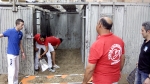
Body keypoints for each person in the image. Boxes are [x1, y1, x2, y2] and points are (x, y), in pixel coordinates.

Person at [82, 17, 125, 84]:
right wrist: (118, 72)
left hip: (101, 81)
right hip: (115, 80)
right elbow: (122, 59)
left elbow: (90, 69)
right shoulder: (120, 41)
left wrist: (84, 82)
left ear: (100, 25)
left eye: (97, 24)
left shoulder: (97, 44)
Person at [0, 19, 26, 84]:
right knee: (12, 70)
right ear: (17, 24)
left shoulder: (20, 33)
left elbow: (20, 43)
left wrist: (22, 52)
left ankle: (15, 82)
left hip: (17, 54)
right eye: (21, 25)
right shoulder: (10, 31)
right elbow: (1, 35)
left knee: (16, 70)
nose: (22, 26)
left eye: (23, 25)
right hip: (11, 55)